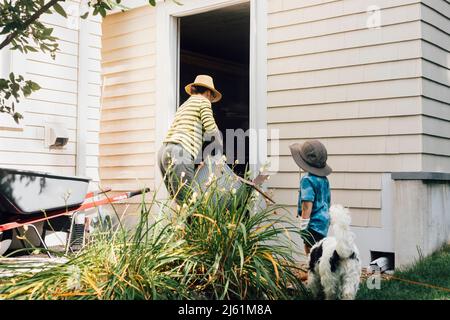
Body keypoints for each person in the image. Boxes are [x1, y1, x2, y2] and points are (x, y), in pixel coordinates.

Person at [158, 75, 223, 203]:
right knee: (188, 202)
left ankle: (179, 223)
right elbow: (210, 127)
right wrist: (220, 144)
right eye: (211, 96)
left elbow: (195, 133)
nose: (210, 100)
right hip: (180, 152)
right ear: (208, 92)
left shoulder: (185, 105)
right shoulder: (204, 101)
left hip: (164, 152)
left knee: (179, 200)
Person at [289, 140, 332, 255]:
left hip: (312, 223)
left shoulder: (307, 180)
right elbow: (328, 200)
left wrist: (304, 225)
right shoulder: (324, 179)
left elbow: (307, 205)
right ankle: (319, 269)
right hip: (324, 221)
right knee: (319, 248)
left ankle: (312, 270)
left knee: (310, 248)